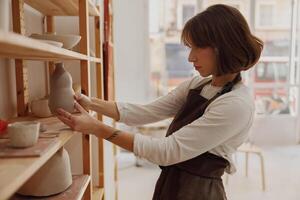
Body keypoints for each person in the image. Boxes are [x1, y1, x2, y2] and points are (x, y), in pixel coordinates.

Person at [57, 4, 263, 200]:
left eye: (197, 47)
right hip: (172, 182)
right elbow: (146, 112)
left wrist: (96, 128)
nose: (190, 58)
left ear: (222, 46)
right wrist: (91, 103)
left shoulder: (236, 104)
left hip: (199, 192)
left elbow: (165, 152)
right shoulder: (198, 85)